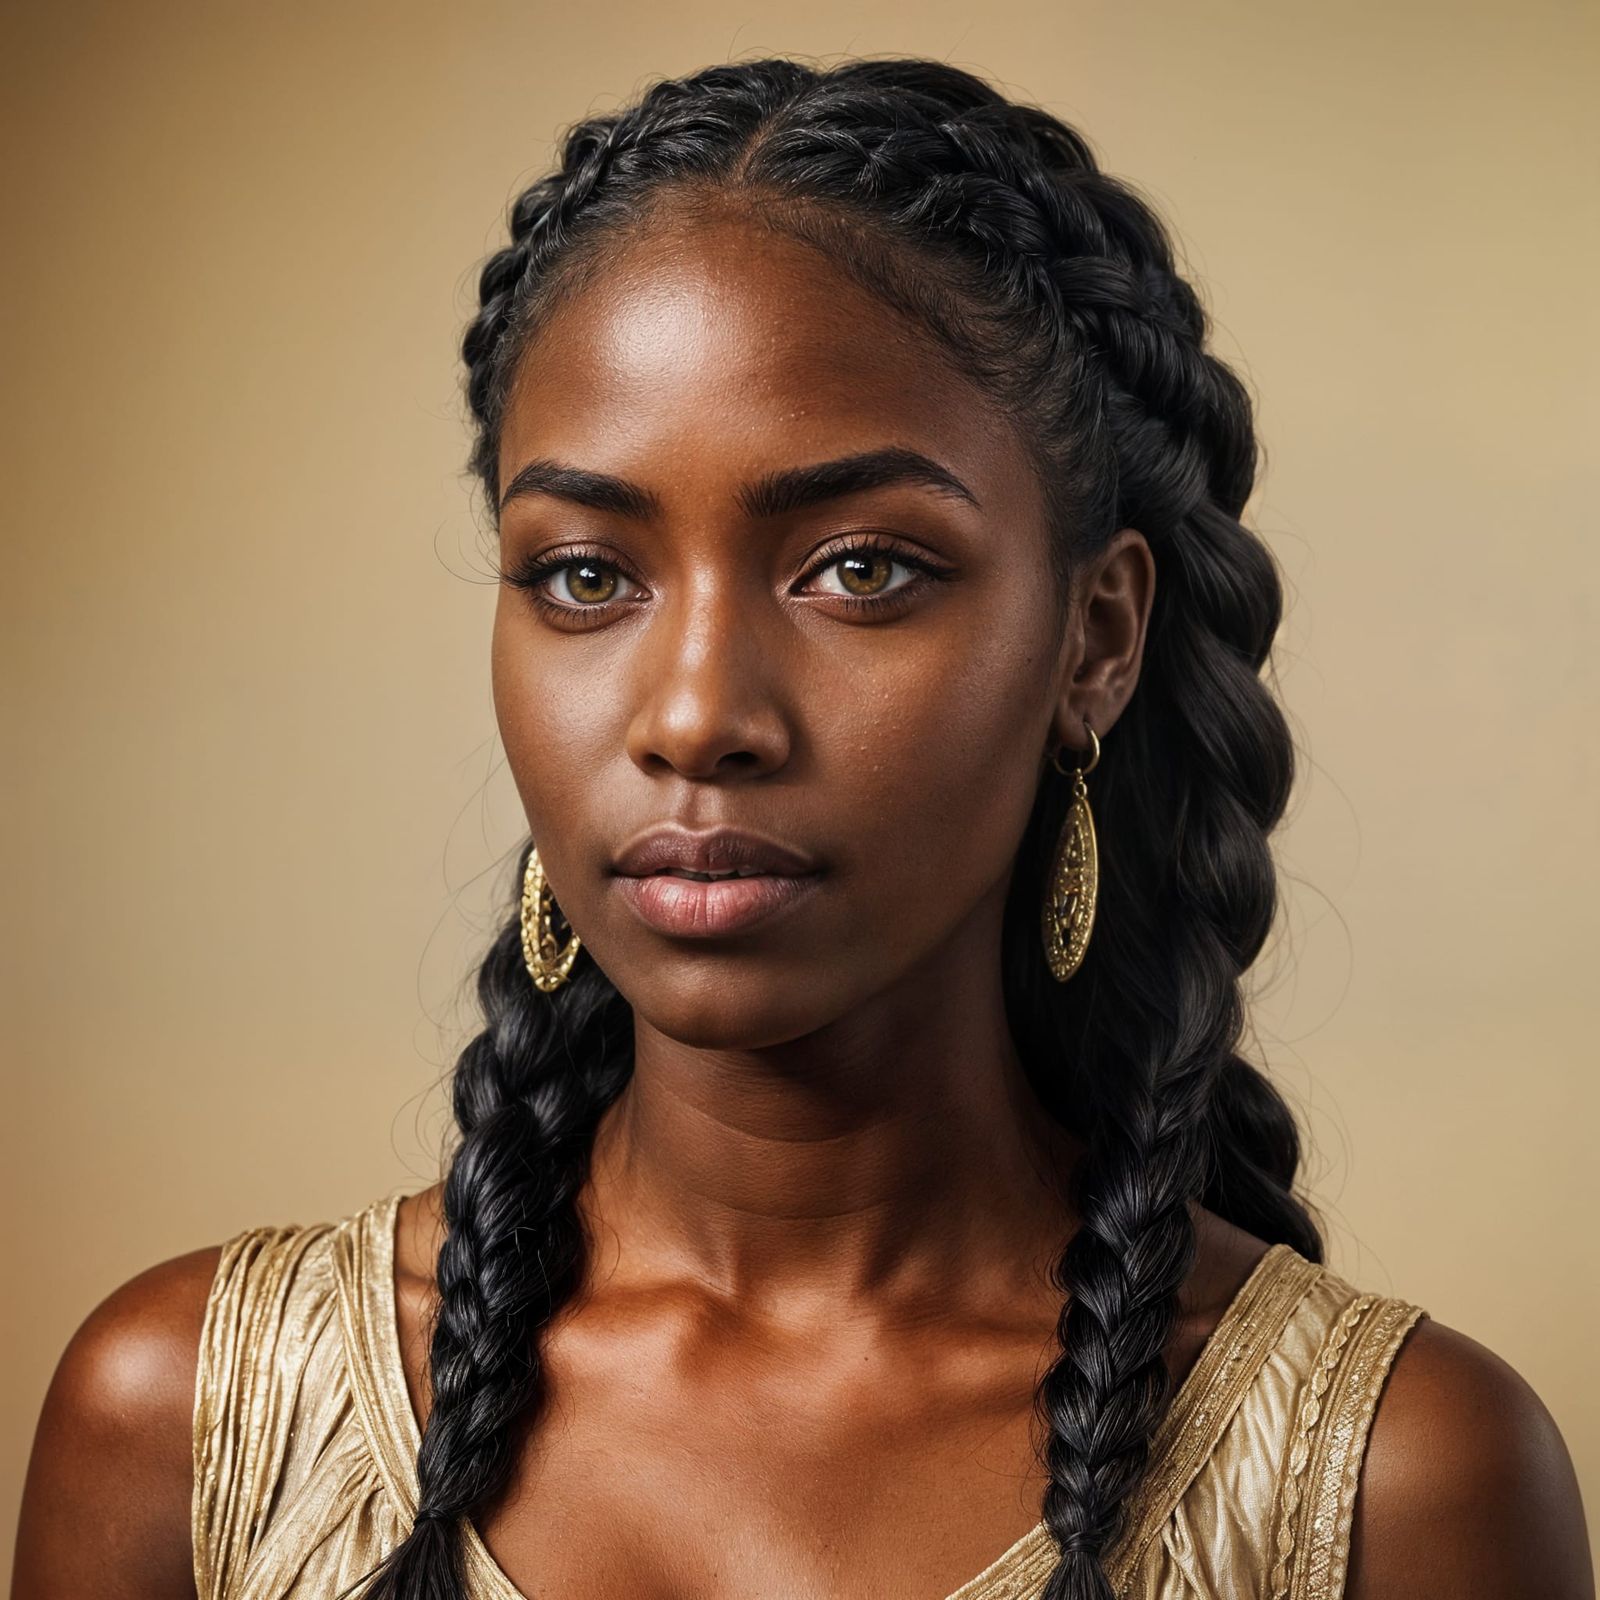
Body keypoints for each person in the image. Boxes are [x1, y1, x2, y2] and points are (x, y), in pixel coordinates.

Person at [11, 55, 1592, 1600]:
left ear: (1096, 639)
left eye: (860, 569)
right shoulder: (191, 1422)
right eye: (586, 575)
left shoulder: (1398, 1488)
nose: (695, 715)